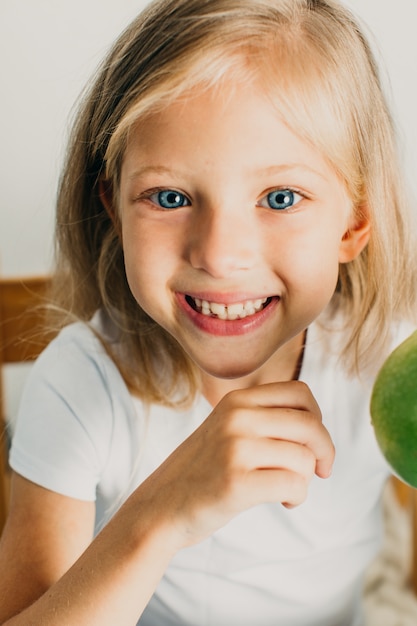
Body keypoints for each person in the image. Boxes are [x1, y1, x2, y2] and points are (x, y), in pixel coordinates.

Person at [1, 0, 416, 624]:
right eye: (169, 197)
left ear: (352, 224)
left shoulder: (387, 355)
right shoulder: (85, 381)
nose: (220, 256)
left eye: (280, 198)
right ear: (113, 209)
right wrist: (161, 513)